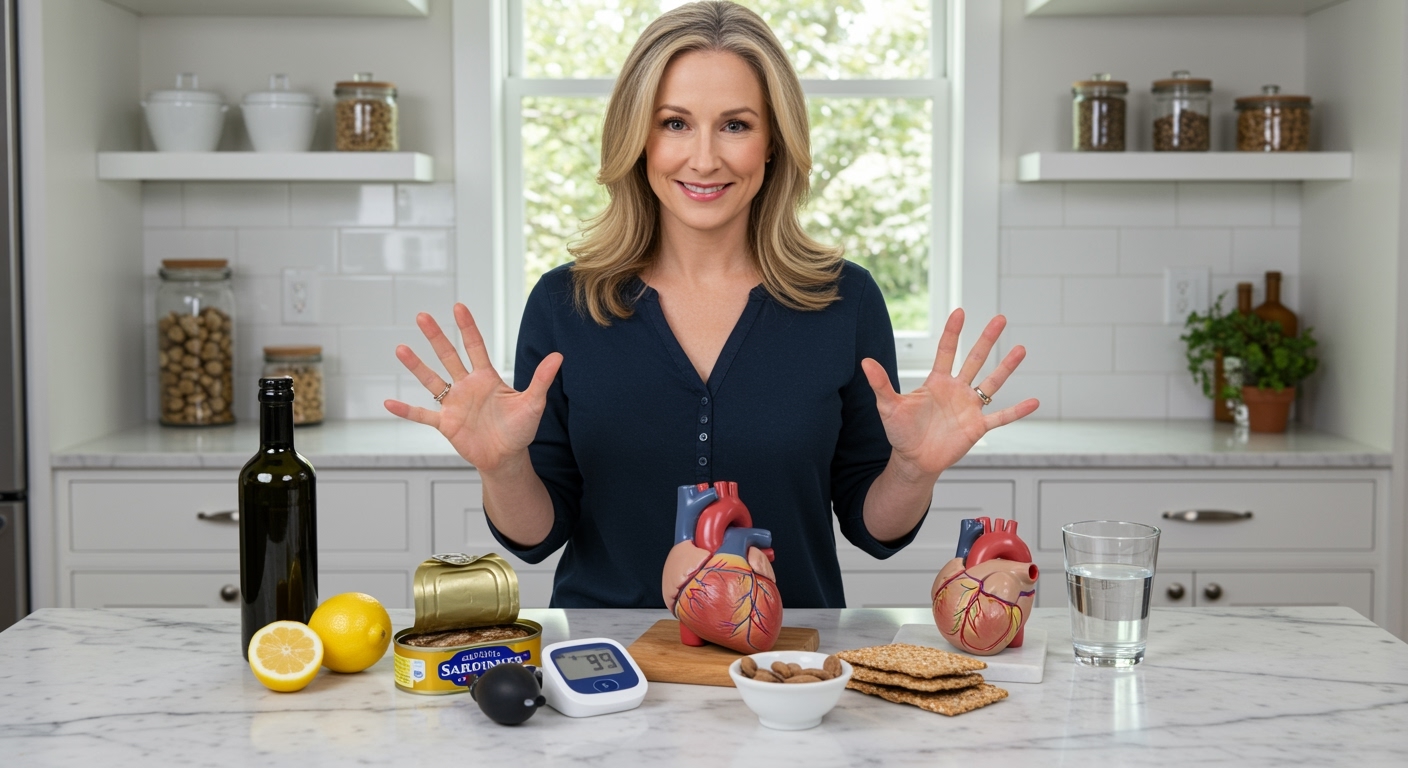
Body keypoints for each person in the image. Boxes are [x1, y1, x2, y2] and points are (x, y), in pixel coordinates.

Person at [385, 1, 1038, 609]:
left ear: (773, 141)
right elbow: (537, 536)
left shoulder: (846, 300)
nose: (704, 158)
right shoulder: (565, 304)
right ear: (639, 140)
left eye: (735, 125)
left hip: (787, 668)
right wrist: (502, 467)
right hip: (608, 663)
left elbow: (875, 531)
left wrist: (911, 470)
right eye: (675, 123)